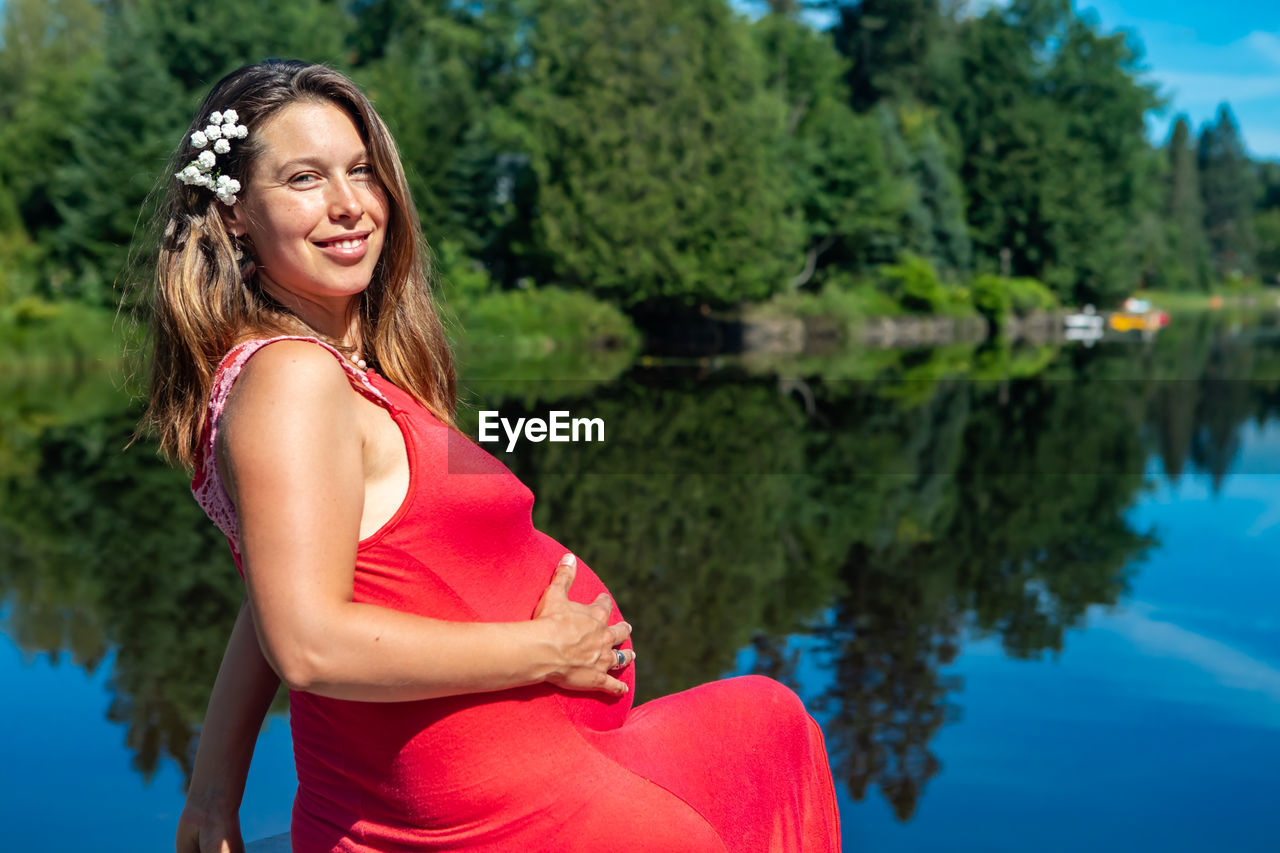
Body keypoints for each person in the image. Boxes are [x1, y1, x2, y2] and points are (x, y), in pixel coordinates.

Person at [142, 60, 840, 852]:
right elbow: (306, 642)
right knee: (762, 746)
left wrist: (211, 795)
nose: (349, 205)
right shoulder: (292, 378)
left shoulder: (333, 372)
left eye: (362, 171)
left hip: (532, 771)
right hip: (482, 816)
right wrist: (546, 648)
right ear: (233, 213)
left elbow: (271, 600)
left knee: (768, 723)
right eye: (304, 178)